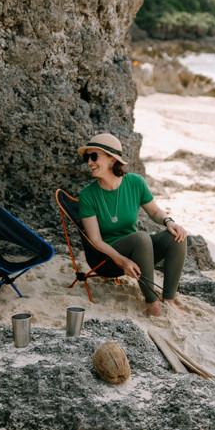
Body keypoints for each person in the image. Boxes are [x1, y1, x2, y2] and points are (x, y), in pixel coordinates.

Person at [78, 133, 187, 317]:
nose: (89, 162)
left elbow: (154, 212)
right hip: (107, 259)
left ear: (112, 158)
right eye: (87, 157)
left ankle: (169, 300)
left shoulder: (135, 182)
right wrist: (122, 260)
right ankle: (152, 305)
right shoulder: (88, 195)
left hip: (139, 254)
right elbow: (95, 240)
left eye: (94, 156)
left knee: (176, 236)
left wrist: (169, 221)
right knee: (141, 238)